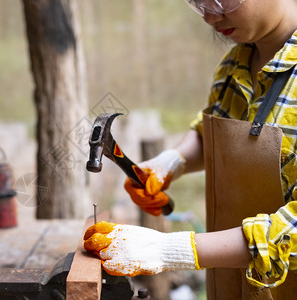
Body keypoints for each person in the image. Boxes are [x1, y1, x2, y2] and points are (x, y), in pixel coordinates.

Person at [84, 0, 297, 299]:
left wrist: (170, 250)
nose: (210, 16)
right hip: (232, 285)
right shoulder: (235, 62)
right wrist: (172, 162)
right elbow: (216, 130)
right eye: (198, 3)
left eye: (222, 0)